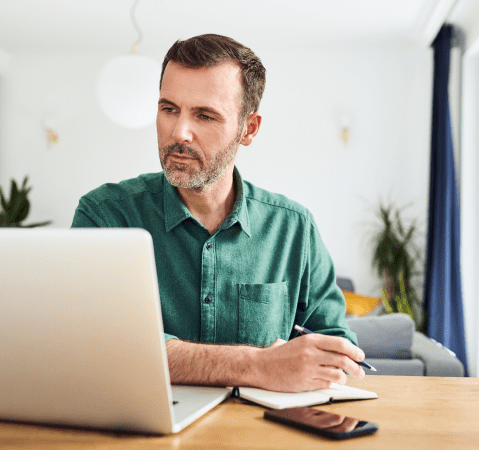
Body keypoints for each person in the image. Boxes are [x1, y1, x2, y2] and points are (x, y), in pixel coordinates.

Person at [72, 34, 365, 392]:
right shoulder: (104, 216)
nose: (179, 132)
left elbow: (340, 352)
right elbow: (98, 344)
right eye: (168, 109)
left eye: (205, 115)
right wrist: (257, 365)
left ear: (248, 129)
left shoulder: (294, 228)